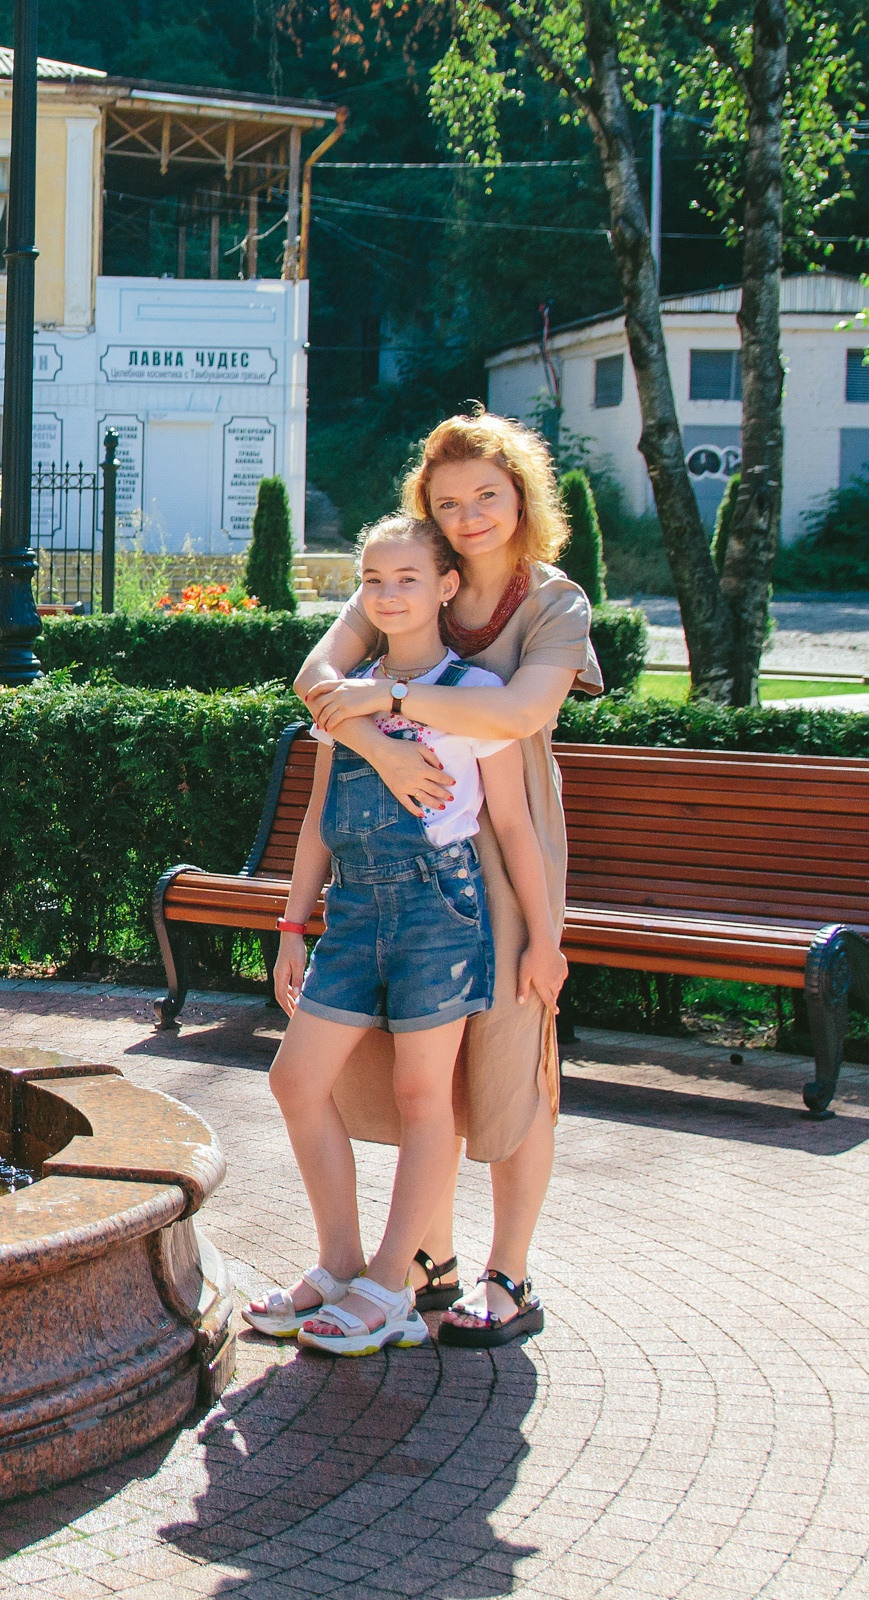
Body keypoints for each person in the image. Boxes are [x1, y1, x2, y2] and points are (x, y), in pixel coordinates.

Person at [287, 408, 599, 1349]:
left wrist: (383, 699)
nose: (468, 517)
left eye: (487, 497)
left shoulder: (554, 603)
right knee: (425, 1071)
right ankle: (428, 1263)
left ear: (522, 500)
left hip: (504, 842)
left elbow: (516, 713)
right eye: (449, 500)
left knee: (512, 1058)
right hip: (410, 827)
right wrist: (383, 749)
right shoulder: (407, 574)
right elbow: (316, 677)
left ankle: (511, 1273)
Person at [246, 515, 563, 1355]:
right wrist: (291, 924)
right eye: (374, 581)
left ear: (446, 586)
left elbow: (515, 828)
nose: (388, 595)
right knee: (295, 1080)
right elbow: (317, 816)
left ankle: (393, 1283)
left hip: (440, 913)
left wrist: (544, 939)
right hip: (354, 913)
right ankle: (339, 1263)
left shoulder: (477, 695)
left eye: (408, 579)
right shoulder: (343, 695)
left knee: (427, 1097)